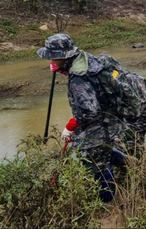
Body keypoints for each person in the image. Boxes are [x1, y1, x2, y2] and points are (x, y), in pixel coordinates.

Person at [37, 33, 125, 202]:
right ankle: (125, 160)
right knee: (92, 147)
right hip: (109, 110)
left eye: (52, 57)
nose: (50, 61)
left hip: (100, 117)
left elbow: (89, 111)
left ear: (61, 57)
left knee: (94, 159)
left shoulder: (78, 78)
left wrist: (70, 126)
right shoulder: (84, 57)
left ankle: (107, 203)